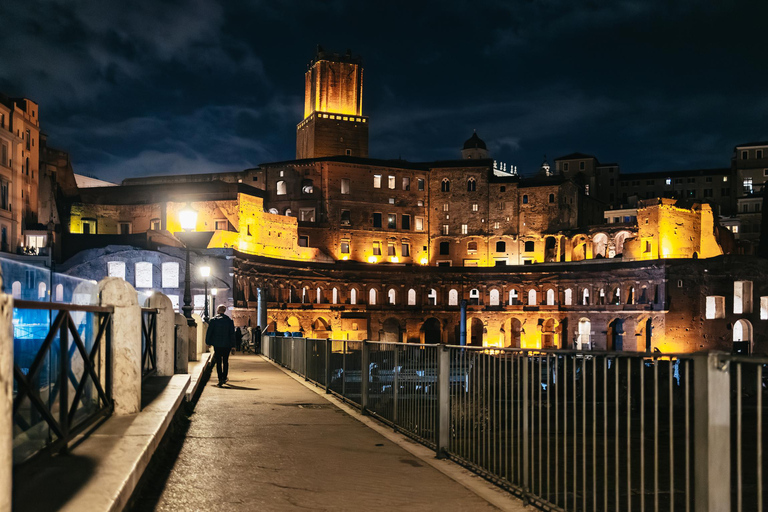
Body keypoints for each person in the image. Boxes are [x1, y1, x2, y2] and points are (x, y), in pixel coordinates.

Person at [205, 304, 236, 386]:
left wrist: (208, 342)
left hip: (217, 344)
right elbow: (232, 334)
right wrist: (233, 346)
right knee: (225, 361)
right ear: (224, 311)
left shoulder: (213, 320)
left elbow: (209, 332)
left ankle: (220, 379)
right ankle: (224, 377)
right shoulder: (229, 321)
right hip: (227, 344)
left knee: (218, 361)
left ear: (218, 310)